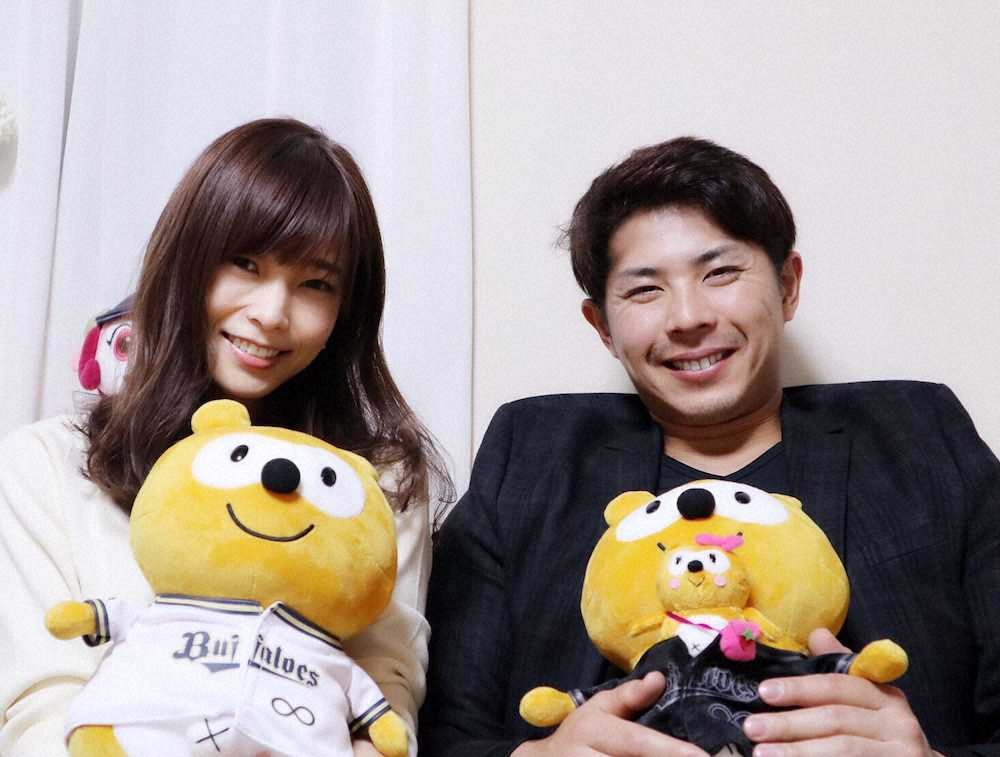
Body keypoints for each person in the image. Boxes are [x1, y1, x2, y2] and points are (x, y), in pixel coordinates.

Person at [419, 137, 1000, 756]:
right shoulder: (534, 455)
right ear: (603, 327)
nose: (688, 317)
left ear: (788, 285)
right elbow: (437, 735)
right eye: (645, 290)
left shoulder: (919, 435)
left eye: (720, 273)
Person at [0, 118, 447, 757]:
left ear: (347, 310)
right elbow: (41, 707)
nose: (271, 313)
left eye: (315, 284)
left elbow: (385, 698)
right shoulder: (48, 464)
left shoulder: (374, 481)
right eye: (245, 264)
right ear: (185, 260)